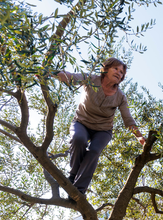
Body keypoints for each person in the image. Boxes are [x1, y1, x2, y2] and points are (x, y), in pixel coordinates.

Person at [54, 58, 146, 199]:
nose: (119, 73)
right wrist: (49, 73)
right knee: (78, 139)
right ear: (106, 69)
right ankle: (72, 176)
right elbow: (70, 77)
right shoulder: (91, 79)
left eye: (121, 72)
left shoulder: (120, 97)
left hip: (103, 130)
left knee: (94, 151)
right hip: (81, 122)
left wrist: (140, 137)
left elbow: (128, 120)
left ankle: (78, 191)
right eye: (116, 69)